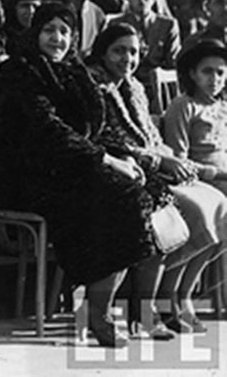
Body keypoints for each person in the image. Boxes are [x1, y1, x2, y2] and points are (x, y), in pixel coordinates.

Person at [0, 2, 161, 347]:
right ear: (35, 33)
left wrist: (122, 157)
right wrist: (106, 161)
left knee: (146, 190)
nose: (57, 38)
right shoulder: (19, 71)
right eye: (49, 30)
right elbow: (47, 130)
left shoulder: (73, 70)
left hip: (69, 166)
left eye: (64, 31)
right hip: (26, 173)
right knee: (124, 198)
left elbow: (95, 126)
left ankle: (102, 304)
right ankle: (99, 313)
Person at [86, 24, 227, 337]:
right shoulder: (94, 85)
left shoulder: (134, 86)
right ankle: (151, 307)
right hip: (122, 170)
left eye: (134, 51)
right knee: (185, 209)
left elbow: (151, 137)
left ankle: (167, 301)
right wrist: (162, 160)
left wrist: (170, 159)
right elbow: (108, 140)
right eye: (119, 50)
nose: (127, 58)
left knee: (216, 201)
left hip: (154, 167)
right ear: (103, 51)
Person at [164, 40, 227, 199]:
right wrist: (217, 174)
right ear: (193, 74)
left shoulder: (222, 105)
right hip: (204, 180)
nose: (214, 79)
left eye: (220, 73)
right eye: (207, 71)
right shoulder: (183, 106)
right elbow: (178, 160)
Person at [110, 0, 180, 92]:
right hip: (126, 86)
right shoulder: (117, 24)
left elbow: (173, 63)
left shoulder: (168, 25)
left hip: (159, 87)